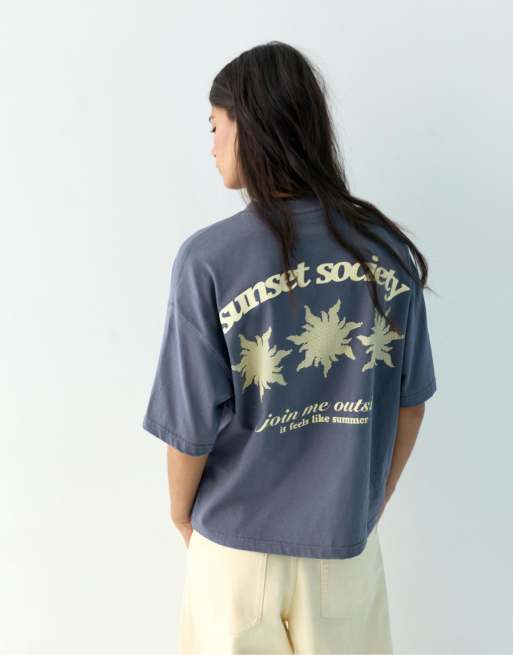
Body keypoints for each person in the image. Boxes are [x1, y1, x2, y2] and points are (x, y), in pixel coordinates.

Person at [142, 40, 437, 655]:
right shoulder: (385, 250)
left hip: (234, 549)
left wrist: (180, 516)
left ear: (248, 128)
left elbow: (188, 429)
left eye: (215, 127)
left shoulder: (209, 260)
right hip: (343, 548)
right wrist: (368, 503)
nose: (211, 147)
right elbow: (410, 403)